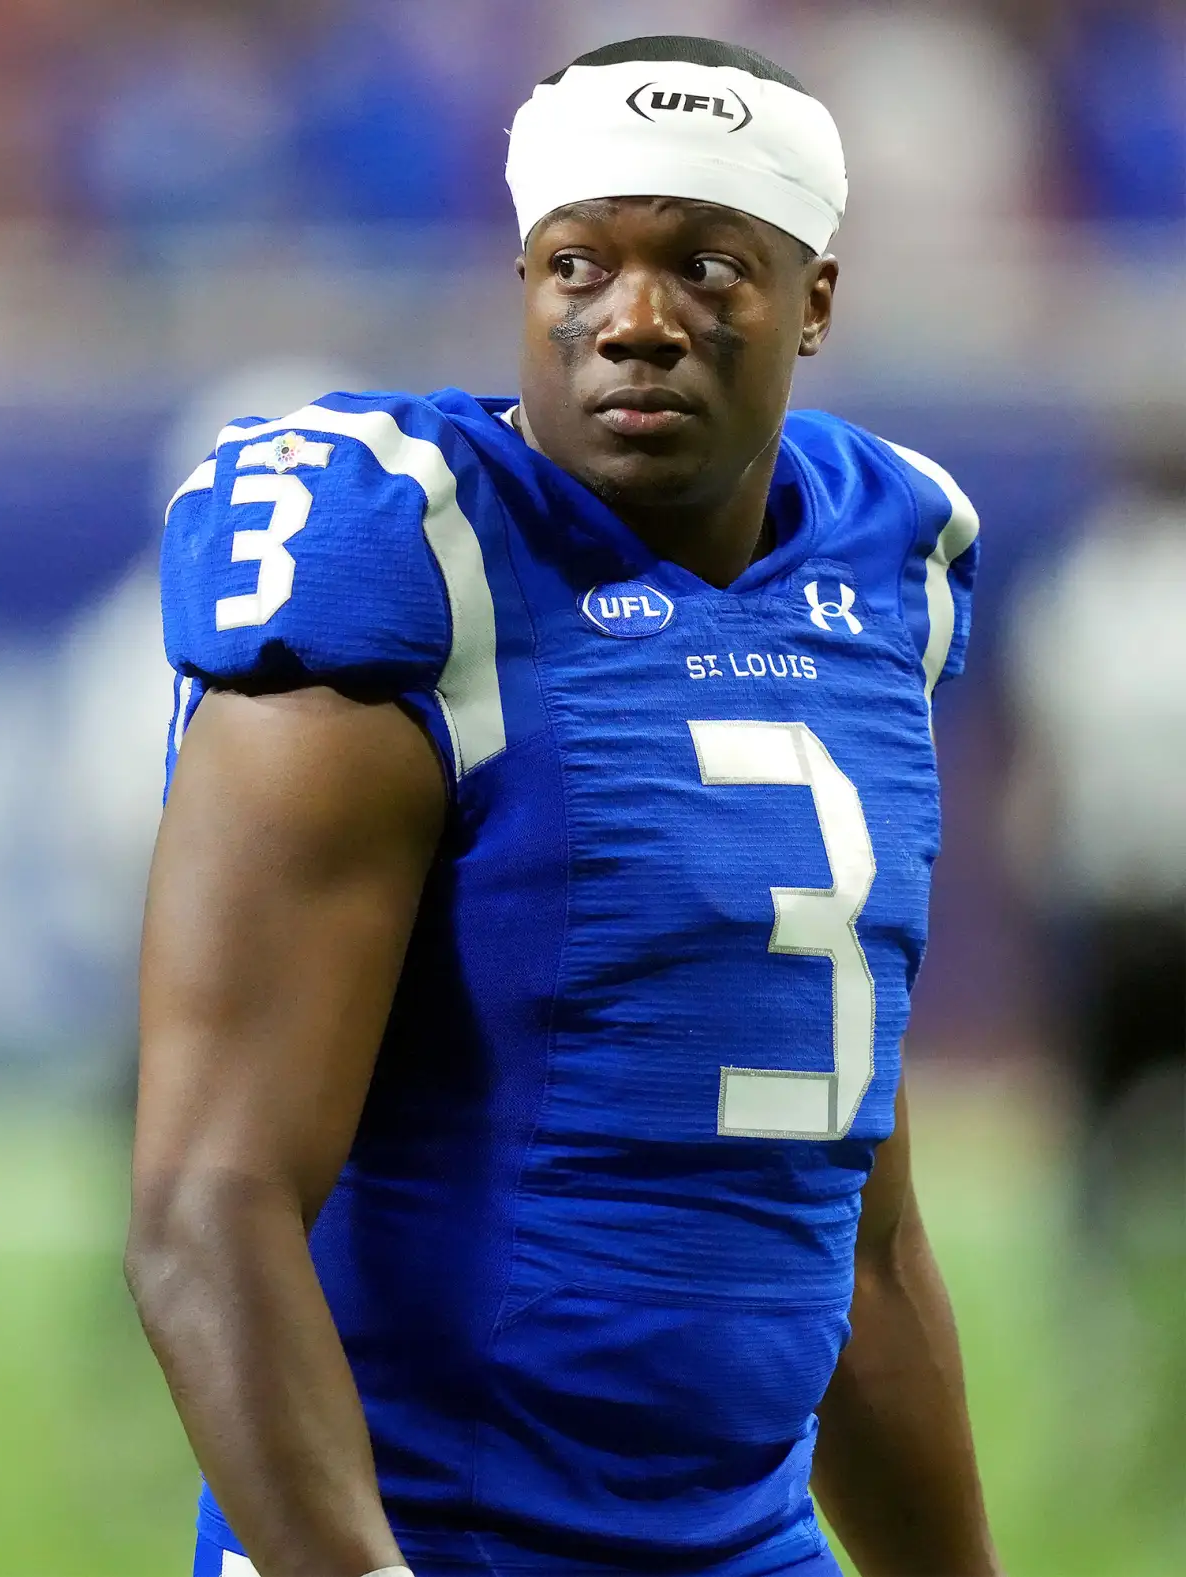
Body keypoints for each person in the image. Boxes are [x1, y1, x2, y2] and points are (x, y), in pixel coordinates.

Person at [127, 36, 997, 1577]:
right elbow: (208, 1202)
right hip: (430, 1539)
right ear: (523, 279)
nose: (637, 322)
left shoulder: (878, 571)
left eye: (709, 265)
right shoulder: (405, 563)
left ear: (814, 302)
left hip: (744, 1541)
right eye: (580, 263)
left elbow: (856, 1228)